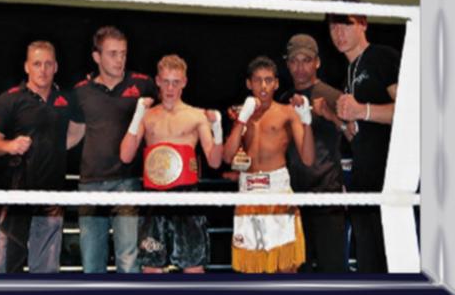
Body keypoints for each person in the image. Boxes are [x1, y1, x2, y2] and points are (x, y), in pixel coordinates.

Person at [0, 40, 83, 273]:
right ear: (27, 66)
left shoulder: (66, 100)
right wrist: (8, 145)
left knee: (46, 271)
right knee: (4, 267)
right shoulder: (9, 100)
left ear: (56, 66)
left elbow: (79, 129)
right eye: (37, 64)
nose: (43, 70)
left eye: (48, 64)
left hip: (51, 196)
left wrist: (57, 147)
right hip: (14, 196)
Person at [120, 54, 223, 273]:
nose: (170, 88)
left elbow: (214, 162)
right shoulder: (148, 116)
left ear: (184, 82)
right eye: (166, 81)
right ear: (157, 80)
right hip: (153, 197)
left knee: (193, 267)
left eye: (176, 82)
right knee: (151, 268)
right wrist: (137, 116)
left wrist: (218, 130)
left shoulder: (196, 116)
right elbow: (125, 156)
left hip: (186, 197)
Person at [72, 26, 156, 273]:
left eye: (123, 53)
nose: (120, 59)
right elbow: (73, 134)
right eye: (112, 54)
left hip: (127, 180)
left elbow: (165, 118)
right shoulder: (81, 91)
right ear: (96, 56)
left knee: (129, 260)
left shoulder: (143, 85)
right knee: (91, 261)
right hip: (90, 182)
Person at [326, 0, 400, 273]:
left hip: (388, 181)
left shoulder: (382, 56)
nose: (339, 32)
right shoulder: (349, 73)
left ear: (363, 23)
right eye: (333, 26)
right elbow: (360, 134)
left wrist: (363, 110)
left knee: (391, 263)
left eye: (345, 23)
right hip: (364, 181)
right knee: (369, 265)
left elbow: (412, 113)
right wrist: (343, 122)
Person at [224, 56, 315, 273]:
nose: (263, 86)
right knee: (252, 269)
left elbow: (308, 159)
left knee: (285, 267)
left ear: (276, 83)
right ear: (249, 84)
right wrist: (242, 119)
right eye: (257, 80)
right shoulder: (240, 113)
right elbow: (227, 157)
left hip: (278, 190)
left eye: (268, 80)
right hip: (248, 192)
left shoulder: (287, 112)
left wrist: (306, 122)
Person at [279, 34, 347, 273]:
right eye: (294, 61)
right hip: (293, 199)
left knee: (332, 272)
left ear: (317, 62)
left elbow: (356, 136)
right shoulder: (283, 100)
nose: (300, 67)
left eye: (306, 60)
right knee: (297, 271)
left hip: (326, 197)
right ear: (287, 64)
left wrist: (331, 115)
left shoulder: (333, 96)